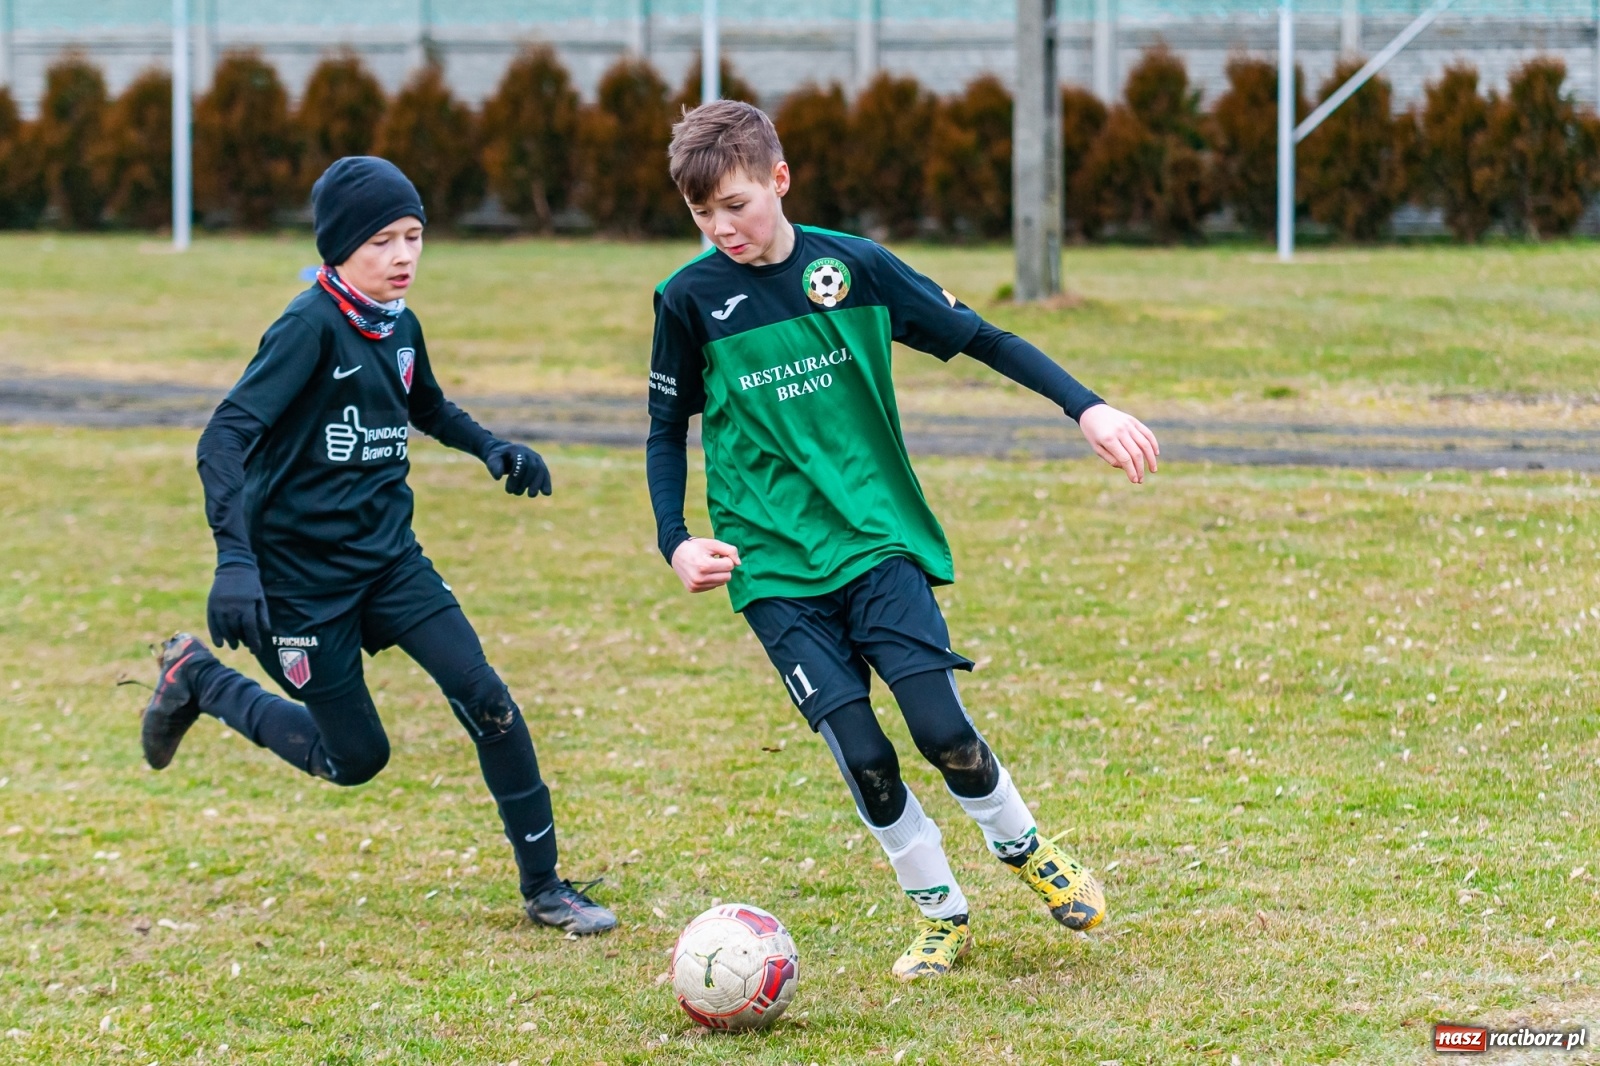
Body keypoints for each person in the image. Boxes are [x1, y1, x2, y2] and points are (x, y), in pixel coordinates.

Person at [645, 102, 1161, 979]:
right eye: (702, 215)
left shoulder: (855, 269)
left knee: (940, 732)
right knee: (864, 754)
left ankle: (1023, 845)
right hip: (771, 565)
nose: (721, 228)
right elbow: (664, 430)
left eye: (736, 204)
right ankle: (940, 913)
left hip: (877, 540)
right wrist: (676, 540)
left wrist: (1089, 405)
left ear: (780, 179)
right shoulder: (689, 300)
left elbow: (983, 338)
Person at [138, 156, 615, 935]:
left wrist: (492, 448)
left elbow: (425, 404)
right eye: (383, 241)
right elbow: (222, 438)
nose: (403, 256)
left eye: (414, 236)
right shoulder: (306, 327)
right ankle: (198, 680)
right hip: (298, 583)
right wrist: (235, 559)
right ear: (339, 250)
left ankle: (546, 888)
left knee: (487, 699)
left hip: (390, 561)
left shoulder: (398, 323)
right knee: (354, 759)